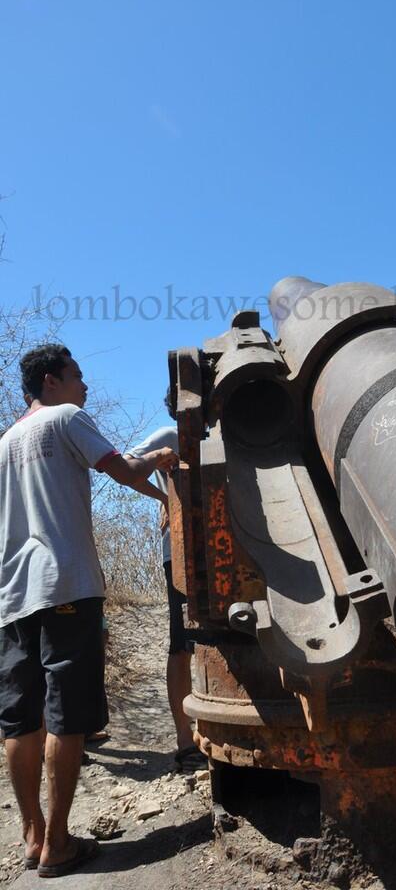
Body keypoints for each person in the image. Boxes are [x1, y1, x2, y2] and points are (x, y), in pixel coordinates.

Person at [0, 344, 178, 877]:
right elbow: (119, 467)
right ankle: (58, 843)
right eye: (78, 377)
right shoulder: (66, 417)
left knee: (19, 719)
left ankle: (31, 835)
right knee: (66, 716)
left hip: (12, 596)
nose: (86, 387)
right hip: (68, 586)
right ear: (52, 382)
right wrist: (162, 464)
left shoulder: (5, 441)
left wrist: (156, 496)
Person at [125, 389, 202, 772]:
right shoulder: (168, 436)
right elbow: (126, 465)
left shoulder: (232, 436)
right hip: (183, 557)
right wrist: (163, 499)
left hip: (230, 553)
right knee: (181, 645)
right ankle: (186, 741)